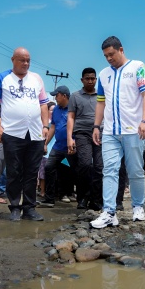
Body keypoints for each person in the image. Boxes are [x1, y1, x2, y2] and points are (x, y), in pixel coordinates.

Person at [90, 36, 145, 229]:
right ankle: (109, 212)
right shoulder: (103, 74)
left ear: (121, 50)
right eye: (105, 56)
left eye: (111, 54)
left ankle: (137, 207)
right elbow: (101, 101)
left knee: (135, 171)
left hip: (133, 129)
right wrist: (96, 126)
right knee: (109, 170)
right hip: (110, 131)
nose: (108, 58)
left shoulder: (138, 67)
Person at [0, 47, 48, 221]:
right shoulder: (2, 78)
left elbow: (43, 104)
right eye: (22, 60)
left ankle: (29, 208)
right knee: (13, 171)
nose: (26, 63)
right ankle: (14, 208)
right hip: (12, 133)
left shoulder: (36, 79)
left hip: (35, 133)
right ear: (13, 60)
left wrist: (45, 126)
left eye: (28, 60)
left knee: (31, 172)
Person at [67, 67, 103, 211]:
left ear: (96, 79)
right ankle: (83, 198)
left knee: (100, 168)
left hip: (100, 133)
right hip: (82, 134)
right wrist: (70, 138)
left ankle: (96, 200)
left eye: (93, 78)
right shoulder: (75, 96)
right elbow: (70, 117)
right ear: (82, 80)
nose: (90, 81)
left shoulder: (102, 96)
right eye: (87, 78)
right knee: (85, 165)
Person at [39, 86, 76, 208]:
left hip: (70, 147)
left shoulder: (74, 108)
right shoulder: (56, 110)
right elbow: (53, 128)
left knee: (68, 171)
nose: (55, 98)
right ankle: (49, 199)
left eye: (57, 95)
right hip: (58, 147)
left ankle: (67, 194)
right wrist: (45, 143)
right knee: (49, 167)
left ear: (64, 96)